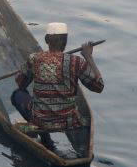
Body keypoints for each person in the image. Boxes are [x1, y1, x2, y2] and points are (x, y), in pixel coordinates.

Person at [11, 23, 103, 156]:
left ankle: (45, 139)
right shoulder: (77, 62)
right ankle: (50, 139)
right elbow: (99, 87)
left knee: (17, 94)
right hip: (69, 122)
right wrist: (89, 58)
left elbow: (21, 84)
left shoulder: (35, 59)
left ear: (47, 40)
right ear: (65, 42)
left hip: (41, 121)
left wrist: (23, 73)